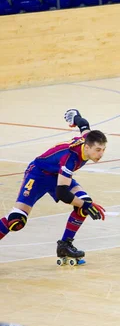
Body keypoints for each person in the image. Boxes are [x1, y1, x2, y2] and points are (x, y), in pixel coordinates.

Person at [0, 109, 107, 265]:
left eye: (103, 150)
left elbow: (84, 125)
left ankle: (65, 245)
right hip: (38, 175)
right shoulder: (70, 157)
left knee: (84, 204)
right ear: (87, 147)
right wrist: (86, 205)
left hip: (57, 175)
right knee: (17, 221)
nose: (101, 154)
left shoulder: (88, 139)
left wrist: (75, 116)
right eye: (98, 150)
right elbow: (62, 193)